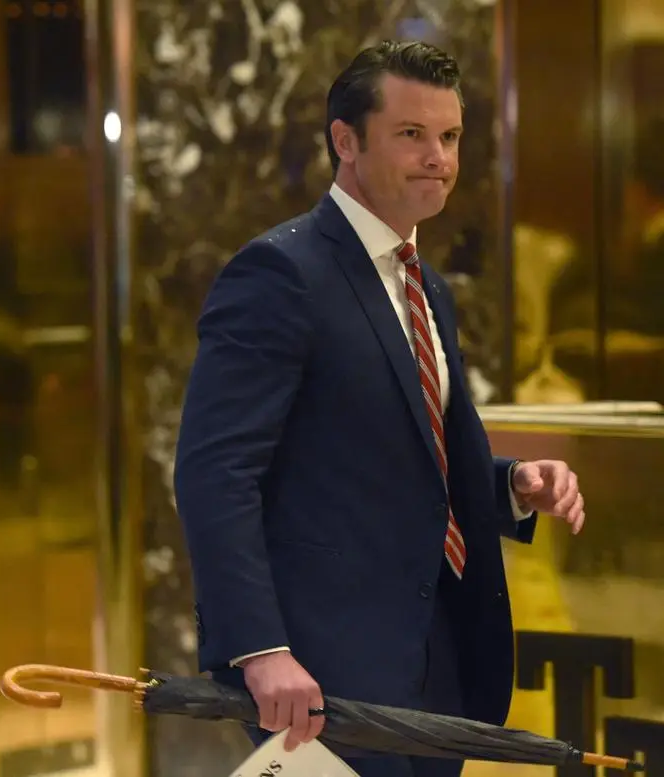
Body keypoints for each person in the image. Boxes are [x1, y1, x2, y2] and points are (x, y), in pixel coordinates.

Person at [173, 40, 585, 777]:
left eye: (450, 136)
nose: (439, 157)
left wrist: (509, 485)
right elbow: (215, 472)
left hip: (437, 667)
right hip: (321, 683)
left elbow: (388, 462)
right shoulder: (280, 272)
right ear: (345, 141)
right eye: (411, 134)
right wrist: (261, 650)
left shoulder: (431, 287)